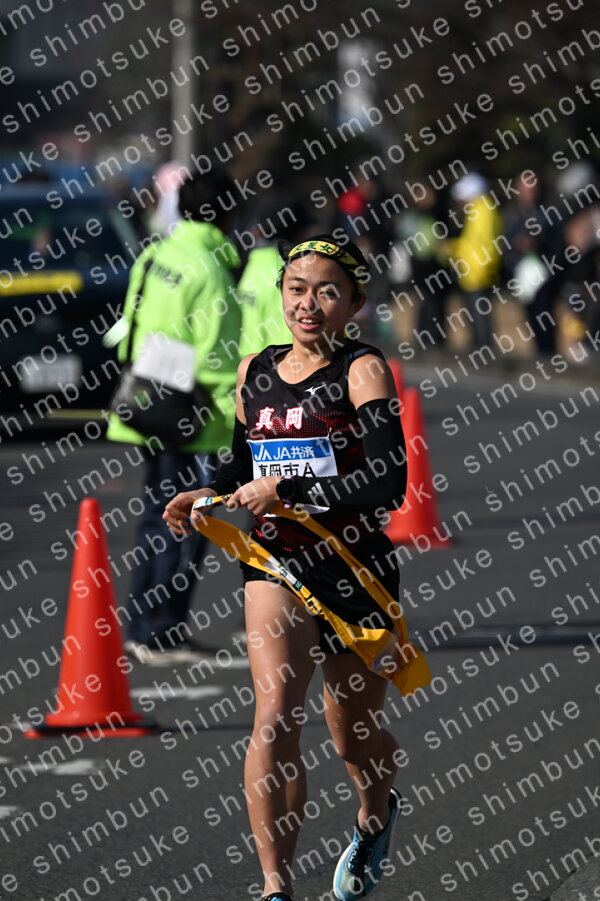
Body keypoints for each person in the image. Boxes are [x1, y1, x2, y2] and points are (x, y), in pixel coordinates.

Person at [163, 235, 408, 900]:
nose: (309, 303)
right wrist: (209, 492)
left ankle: (375, 810)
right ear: (281, 294)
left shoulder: (363, 369)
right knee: (274, 715)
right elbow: (246, 465)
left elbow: (389, 483)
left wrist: (289, 490)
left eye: (328, 291)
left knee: (352, 736)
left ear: (353, 303)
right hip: (276, 561)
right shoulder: (255, 370)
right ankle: (276, 885)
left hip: (352, 566)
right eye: (297, 288)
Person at [107, 170, 241, 664]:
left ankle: (142, 626)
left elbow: (129, 323)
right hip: (193, 419)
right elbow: (219, 362)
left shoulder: (156, 253)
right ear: (228, 214)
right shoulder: (211, 270)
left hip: (147, 403)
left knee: (154, 518)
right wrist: (241, 420)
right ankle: (162, 633)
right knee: (185, 522)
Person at [237, 195, 314, 356]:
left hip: (247, 366)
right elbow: (295, 343)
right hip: (276, 368)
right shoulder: (293, 277)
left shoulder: (252, 266)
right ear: (299, 235)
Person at [445, 172, 503, 348]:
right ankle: (480, 350)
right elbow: (473, 243)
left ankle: (484, 353)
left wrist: (456, 251)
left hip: (477, 276)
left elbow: (483, 245)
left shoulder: (483, 211)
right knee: (475, 319)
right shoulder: (480, 210)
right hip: (474, 274)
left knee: (480, 321)